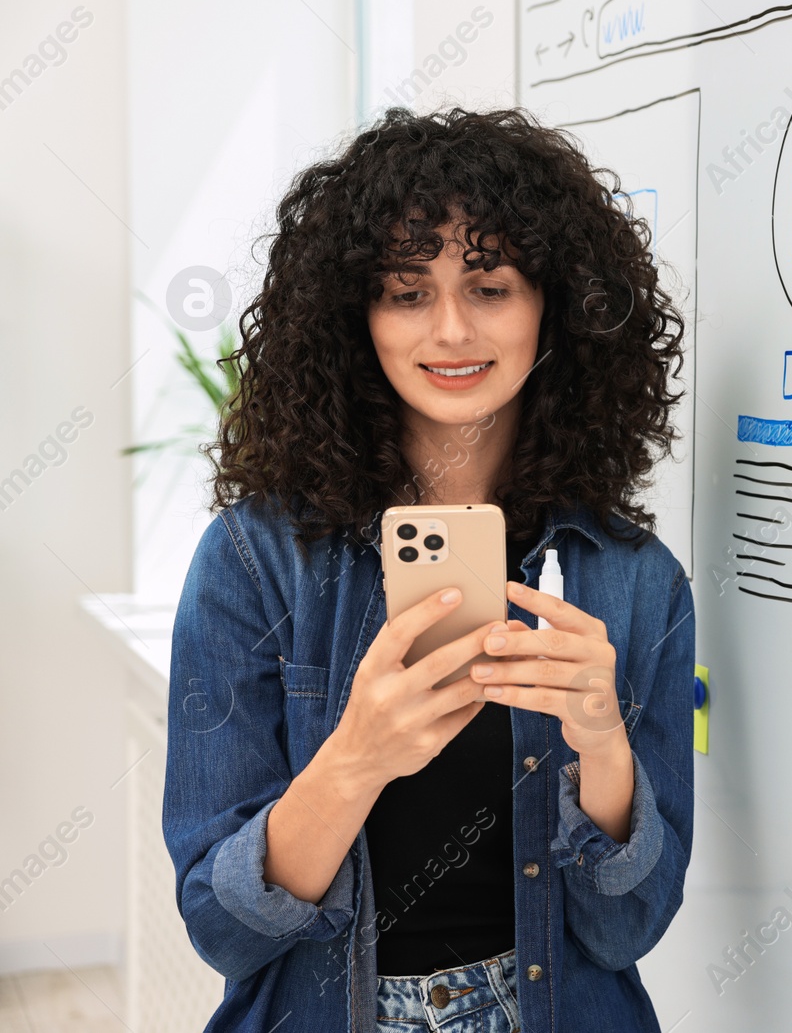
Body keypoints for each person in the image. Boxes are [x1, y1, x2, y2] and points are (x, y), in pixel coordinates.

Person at [162, 106, 695, 1033]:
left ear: (554, 305)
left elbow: (626, 927)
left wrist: (604, 745)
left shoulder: (635, 579)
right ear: (355, 317)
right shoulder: (254, 561)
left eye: (489, 285)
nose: (450, 329)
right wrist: (356, 759)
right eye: (408, 292)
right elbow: (222, 928)